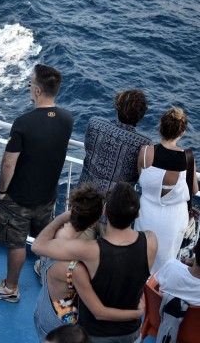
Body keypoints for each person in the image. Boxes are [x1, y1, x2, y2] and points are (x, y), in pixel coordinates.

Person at [0, 64, 72, 302]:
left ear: (38, 91)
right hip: (47, 195)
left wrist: (3, 191)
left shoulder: (23, 123)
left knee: (17, 243)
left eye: (31, 83)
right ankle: (45, 271)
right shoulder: (67, 119)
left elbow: (8, 163)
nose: (30, 87)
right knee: (45, 237)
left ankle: (10, 289)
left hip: (19, 197)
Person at [32, 182, 158, 342]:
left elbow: (38, 246)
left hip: (97, 334)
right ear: (137, 214)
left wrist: (61, 218)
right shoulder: (151, 241)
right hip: (131, 332)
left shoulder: (91, 250)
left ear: (106, 212)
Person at [135, 107, 198, 273]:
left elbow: (141, 177)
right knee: (165, 262)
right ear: (182, 132)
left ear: (161, 127)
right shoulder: (187, 158)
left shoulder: (145, 152)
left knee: (141, 256)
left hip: (146, 214)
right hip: (173, 220)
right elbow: (194, 189)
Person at [78, 89, 151, 192]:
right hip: (115, 199)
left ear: (117, 106)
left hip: (83, 194)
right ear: (141, 115)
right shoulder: (144, 143)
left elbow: (88, 148)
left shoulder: (94, 124)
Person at [155, 241, 200, 306]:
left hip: (156, 311)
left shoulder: (171, 266)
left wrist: (185, 261)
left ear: (194, 249)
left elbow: (154, 286)